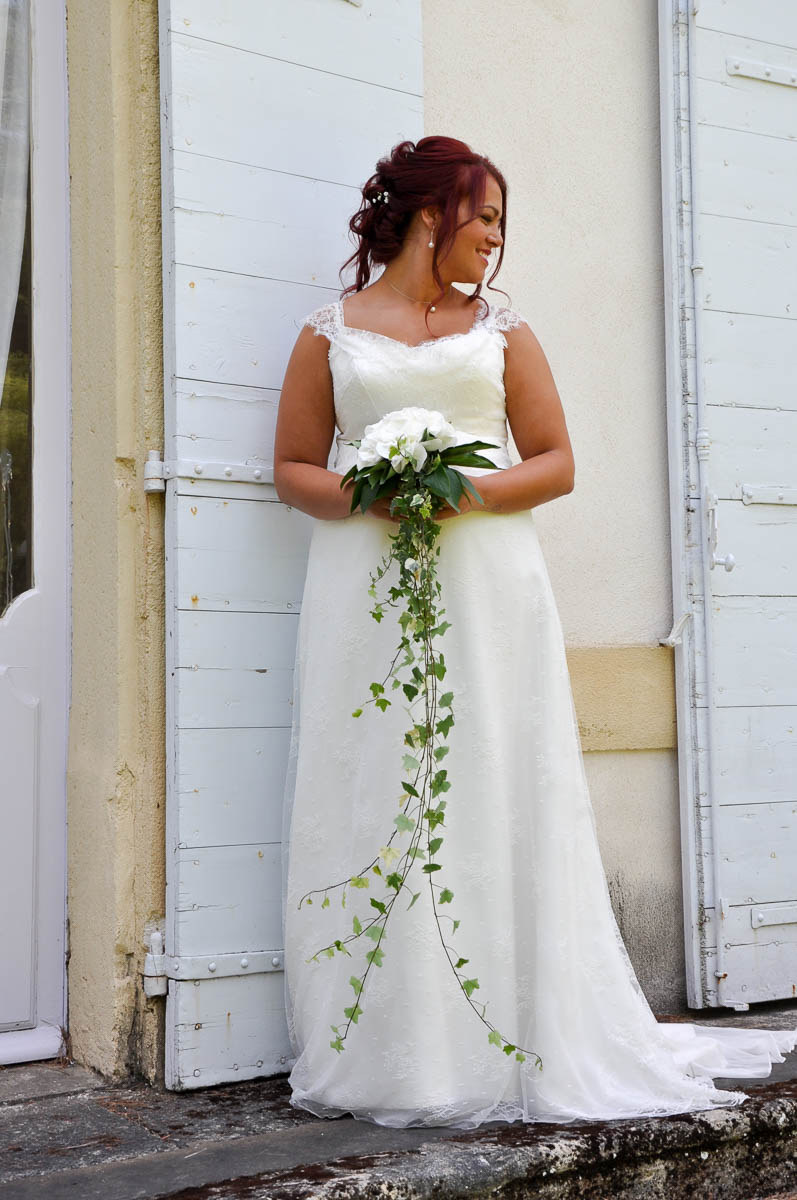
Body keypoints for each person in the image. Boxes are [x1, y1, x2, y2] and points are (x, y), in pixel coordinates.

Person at [273, 136, 797, 1130]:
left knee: (493, 779)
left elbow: (553, 463)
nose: (496, 244)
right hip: (363, 587)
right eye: (488, 221)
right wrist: (371, 496)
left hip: (487, 584)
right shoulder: (328, 333)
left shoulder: (501, 331)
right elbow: (293, 467)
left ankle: (510, 1027)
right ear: (433, 216)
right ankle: (399, 1050)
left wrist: (459, 493)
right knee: (376, 778)